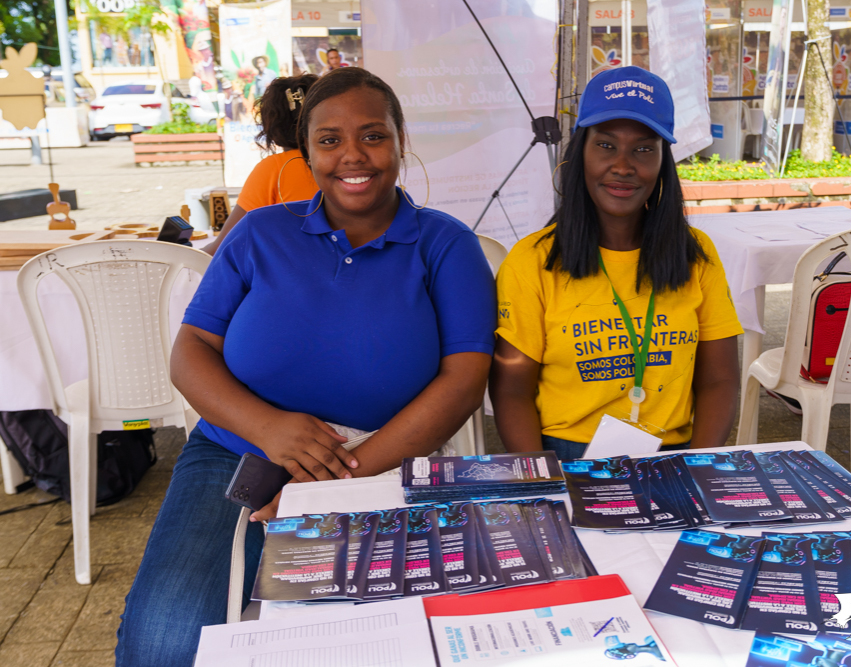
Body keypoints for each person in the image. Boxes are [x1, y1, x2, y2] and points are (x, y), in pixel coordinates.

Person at [115, 67, 496, 666]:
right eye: (329, 140)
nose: (353, 156)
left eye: (373, 136)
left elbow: (464, 379)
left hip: (385, 461)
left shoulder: (444, 244)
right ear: (307, 151)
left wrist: (333, 477)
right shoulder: (261, 234)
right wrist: (270, 431)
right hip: (236, 453)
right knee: (163, 642)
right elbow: (190, 353)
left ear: (400, 140)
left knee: (389, 647)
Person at [490, 66, 743, 461]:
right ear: (581, 152)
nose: (623, 166)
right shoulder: (533, 262)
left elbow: (721, 381)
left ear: (664, 161)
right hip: (565, 457)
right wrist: (545, 481)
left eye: (643, 148)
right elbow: (511, 390)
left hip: (675, 456)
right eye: (606, 145)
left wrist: (699, 468)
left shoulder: (696, 255)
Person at [204, 74, 320, 255]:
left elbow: (224, 245)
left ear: (271, 123)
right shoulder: (340, 164)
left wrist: (186, 251)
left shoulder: (273, 169)